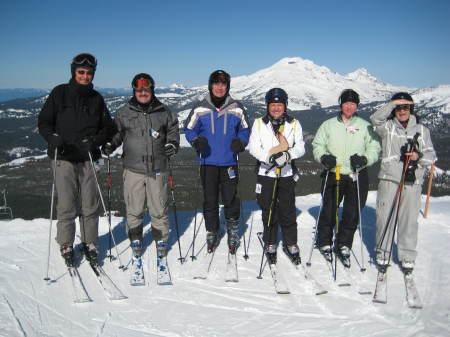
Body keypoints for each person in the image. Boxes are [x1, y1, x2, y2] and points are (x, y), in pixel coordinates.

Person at [38, 53, 115, 267]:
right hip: (63, 156)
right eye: (81, 72)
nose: (85, 76)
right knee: (66, 203)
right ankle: (66, 243)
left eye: (89, 72)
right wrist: (52, 138)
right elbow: (44, 121)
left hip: (88, 157)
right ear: (74, 72)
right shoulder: (59, 93)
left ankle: (90, 242)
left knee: (90, 203)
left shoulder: (96, 98)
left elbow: (108, 127)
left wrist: (95, 141)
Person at [102, 73, 179, 258]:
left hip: (158, 168)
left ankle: (161, 239)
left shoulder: (164, 112)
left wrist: (172, 144)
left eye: (146, 89)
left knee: (159, 208)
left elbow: (173, 132)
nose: (143, 93)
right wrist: (110, 144)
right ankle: (135, 237)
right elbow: (117, 133)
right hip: (133, 168)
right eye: (139, 90)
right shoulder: (125, 112)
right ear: (134, 91)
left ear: (152, 90)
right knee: (134, 207)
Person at [312, 89, 380, 267]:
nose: (349, 106)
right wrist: (323, 157)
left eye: (353, 103)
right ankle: (324, 241)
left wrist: (365, 159)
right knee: (328, 209)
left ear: (357, 105)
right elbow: (318, 144)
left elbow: (374, 148)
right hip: (334, 172)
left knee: (352, 211)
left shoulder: (365, 126)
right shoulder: (328, 125)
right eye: (346, 103)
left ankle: (344, 244)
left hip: (357, 173)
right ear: (340, 104)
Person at [184, 70, 250, 254]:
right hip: (207, 161)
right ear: (210, 86)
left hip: (229, 161)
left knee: (230, 199)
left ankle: (233, 231)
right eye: (216, 83)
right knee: (210, 199)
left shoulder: (237, 107)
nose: (220, 88)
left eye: (223, 84)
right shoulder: (200, 108)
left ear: (227, 87)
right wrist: (196, 141)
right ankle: (212, 230)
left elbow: (245, 129)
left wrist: (241, 141)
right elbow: (189, 129)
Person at [370, 92, 436, 273]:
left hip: (412, 181)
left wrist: (418, 156)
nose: (402, 111)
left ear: (411, 109)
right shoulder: (388, 127)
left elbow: (431, 155)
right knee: (385, 217)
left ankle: (407, 256)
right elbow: (375, 119)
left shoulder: (422, 130)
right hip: (390, 178)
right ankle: (383, 252)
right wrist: (392, 103)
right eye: (399, 107)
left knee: (408, 220)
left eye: (405, 107)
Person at [248, 88, 305, 265]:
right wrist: (269, 157)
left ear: (285, 106)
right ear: (267, 106)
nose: (276, 108)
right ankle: (270, 241)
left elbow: (301, 146)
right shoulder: (259, 123)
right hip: (267, 173)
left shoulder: (294, 123)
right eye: (273, 105)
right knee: (268, 208)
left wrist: (288, 155)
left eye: (279, 105)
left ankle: (290, 243)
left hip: (286, 173)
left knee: (288, 209)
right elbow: (253, 146)